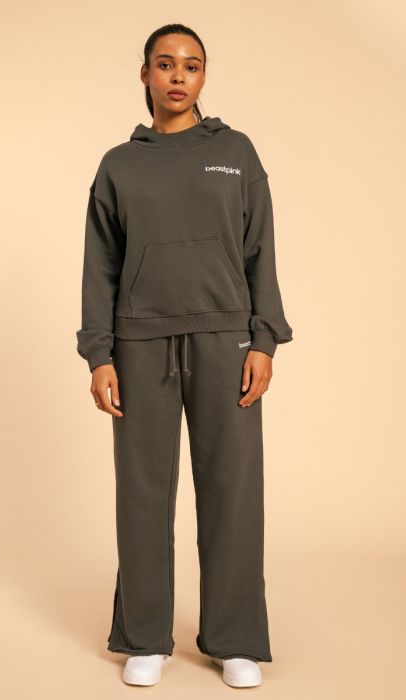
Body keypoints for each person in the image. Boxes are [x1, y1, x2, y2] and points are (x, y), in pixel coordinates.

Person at [76, 23, 293, 688]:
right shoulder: (119, 164)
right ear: (144, 74)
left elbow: (260, 250)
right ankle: (145, 636)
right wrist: (99, 353)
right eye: (165, 64)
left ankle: (234, 638)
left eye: (191, 65)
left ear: (204, 76)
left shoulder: (236, 151)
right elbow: (100, 266)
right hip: (139, 344)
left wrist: (263, 339)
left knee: (233, 491)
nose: (178, 76)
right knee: (142, 494)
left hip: (225, 340)